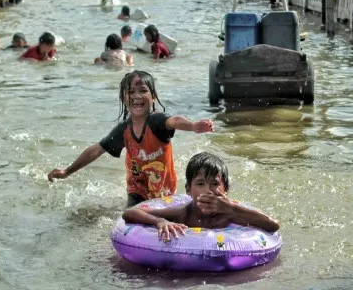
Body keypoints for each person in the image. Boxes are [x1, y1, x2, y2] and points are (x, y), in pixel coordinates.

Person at [47, 71, 215, 206]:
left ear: (154, 97)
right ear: (123, 98)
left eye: (143, 91)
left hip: (163, 187)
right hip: (137, 188)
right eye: (131, 92)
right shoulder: (123, 130)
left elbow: (175, 121)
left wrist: (193, 126)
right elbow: (96, 150)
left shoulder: (156, 122)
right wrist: (67, 171)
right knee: (132, 214)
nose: (137, 96)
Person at [123, 152, 280, 241]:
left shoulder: (229, 215)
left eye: (214, 183)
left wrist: (232, 209)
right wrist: (159, 221)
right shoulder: (183, 213)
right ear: (188, 190)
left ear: (225, 190)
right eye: (200, 184)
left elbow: (273, 225)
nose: (207, 190)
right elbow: (129, 213)